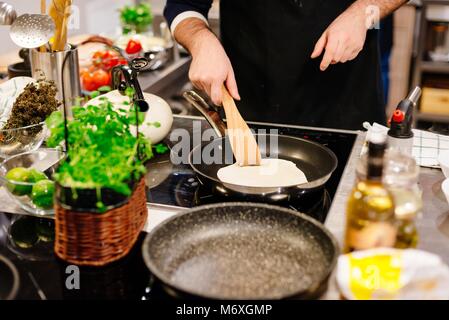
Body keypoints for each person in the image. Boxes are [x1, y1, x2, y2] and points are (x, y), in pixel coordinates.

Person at [164, 0, 407, 130]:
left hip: (347, 105)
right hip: (251, 107)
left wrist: (364, 12)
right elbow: (184, 5)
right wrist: (201, 41)